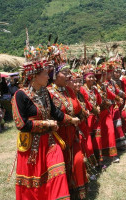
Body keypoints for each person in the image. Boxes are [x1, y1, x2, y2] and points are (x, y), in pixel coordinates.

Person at [12, 47, 81, 200]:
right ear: (34, 76)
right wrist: (46, 123)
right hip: (33, 147)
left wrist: (71, 120)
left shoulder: (45, 93)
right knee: (35, 184)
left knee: (58, 172)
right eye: (45, 73)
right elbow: (21, 124)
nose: (48, 76)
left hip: (49, 142)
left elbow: (55, 112)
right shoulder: (20, 95)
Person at [48, 64, 88, 199]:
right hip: (58, 136)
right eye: (65, 73)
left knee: (77, 161)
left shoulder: (68, 91)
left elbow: (77, 108)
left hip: (73, 133)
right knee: (62, 166)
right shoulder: (48, 93)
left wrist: (83, 113)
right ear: (55, 75)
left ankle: (78, 193)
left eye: (69, 72)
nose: (69, 76)